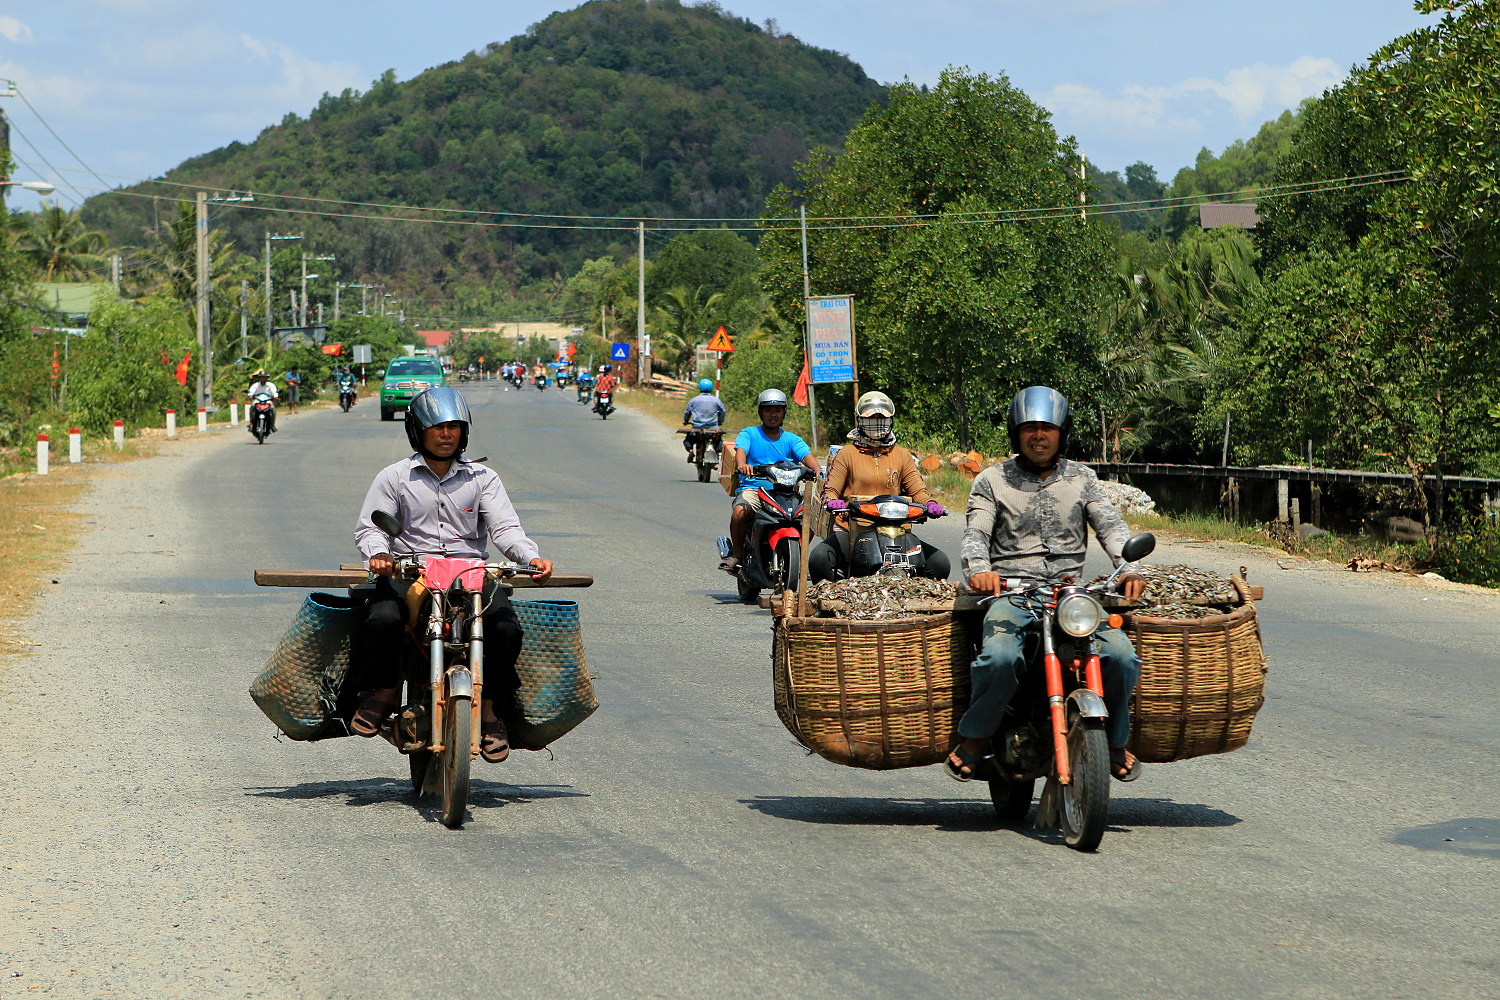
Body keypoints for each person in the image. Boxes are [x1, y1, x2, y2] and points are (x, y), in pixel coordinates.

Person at [948, 386, 1147, 783]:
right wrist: (980, 569)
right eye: (1029, 428)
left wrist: (1128, 568)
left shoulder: (1083, 478)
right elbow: (975, 533)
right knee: (1000, 658)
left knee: (1121, 655)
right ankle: (976, 735)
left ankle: (1111, 740)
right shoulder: (991, 480)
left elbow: (1110, 526)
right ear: (1015, 433)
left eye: (1047, 428)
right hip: (1011, 594)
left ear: (1062, 432)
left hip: (1072, 596)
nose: (1038, 435)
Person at [351, 387, 554, 763]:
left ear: (464, 432)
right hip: (411, 570)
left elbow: (505, 529)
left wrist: (531, 556)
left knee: (506, 629)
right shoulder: (394, 477)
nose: (446, 435)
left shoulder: (483, 478)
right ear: (417, 431)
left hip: (471, 573)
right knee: (382, 619)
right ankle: (385, 690)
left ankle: (490, 709)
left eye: (454, 427)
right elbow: (371, 528)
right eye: (437, 427)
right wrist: (379, 554)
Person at [807, 390, 950, 582]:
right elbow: (831, 490)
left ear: (891, 421)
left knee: (939, 563)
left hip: (896, 529)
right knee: (819, 558)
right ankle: (831, 601)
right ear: (859, 421)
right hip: (853, 529)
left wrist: (930, 503)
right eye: (870, 419)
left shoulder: (902, 455)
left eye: (881, 419)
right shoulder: (847, 454)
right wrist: (833, 501)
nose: (876, 424)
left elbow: (918, 490)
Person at [723, 388, 821, 572]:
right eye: (768, 410)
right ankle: (737, 553)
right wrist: (743, 464)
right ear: (760, 412)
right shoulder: (749, 433)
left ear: (784, 413)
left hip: (786, 492)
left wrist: (816, 470)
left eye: (777, 410)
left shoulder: (792, 439)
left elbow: (807, 457)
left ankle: (799, 554)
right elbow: (741, 451)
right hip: (755, 490)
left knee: (811, 516)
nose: (773, 414)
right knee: (739, 512)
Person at [682, 378, 726, 461]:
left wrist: (685, 421)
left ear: (700, 388)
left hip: (697, 428)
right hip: (713, 428)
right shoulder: (716, 400)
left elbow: (687, 412)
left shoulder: (694, 400)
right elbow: (722, 411)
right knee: (719, 440)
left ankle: (691, 450)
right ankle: (717, 453)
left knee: (688, 440)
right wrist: (720, 421)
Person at [246, 369, 279, 433]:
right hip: (257, 401)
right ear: (259, 378)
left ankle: (272, 425)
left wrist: (275, 396)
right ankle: (251, 424)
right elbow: (251, 391)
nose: (262, 379)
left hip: (268, 401)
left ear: (266, 378)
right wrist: (250, 395)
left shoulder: (270, 385)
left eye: (264, 377)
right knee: (252, 408)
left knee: (273, 409)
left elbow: (274, 392)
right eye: (261, 377)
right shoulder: (255, 385)